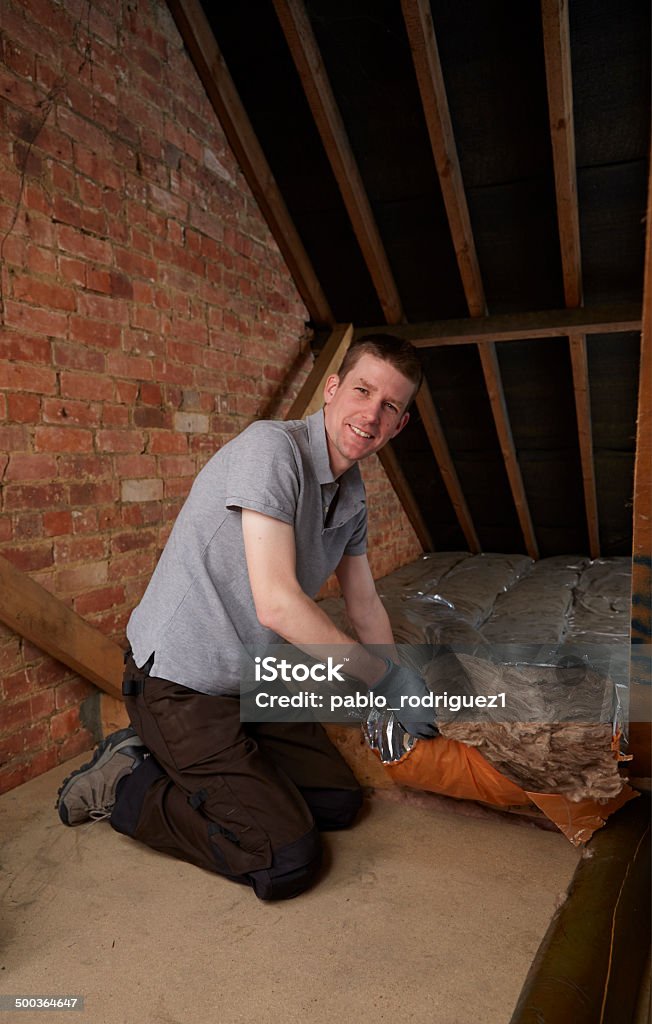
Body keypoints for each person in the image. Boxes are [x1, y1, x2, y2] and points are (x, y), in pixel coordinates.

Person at [57, 334, 438, 900]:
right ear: (332, 389)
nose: (371, 414)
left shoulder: (353, 495)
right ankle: (128, 785)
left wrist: (396, 683)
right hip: (178, 683)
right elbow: (278, 603)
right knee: (285, 857)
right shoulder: (272, 450)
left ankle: (192, 768)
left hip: (249, 681)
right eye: (363, 390)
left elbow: (365, 603)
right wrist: (383, 680)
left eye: (390, 406)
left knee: (339, 802)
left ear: (399, 425)